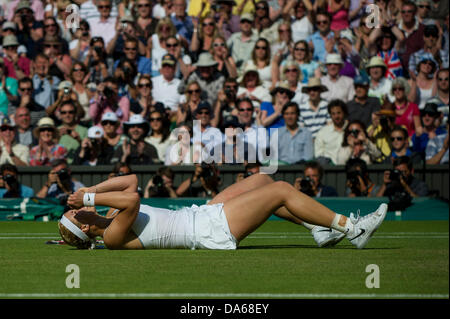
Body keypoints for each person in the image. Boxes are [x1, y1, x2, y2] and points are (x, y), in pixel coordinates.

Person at [59, 173, 388, 250]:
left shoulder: (108, 219)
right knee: (281, 192)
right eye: (74, 216)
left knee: (264, 178)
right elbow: (132, 201)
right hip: (209, 231)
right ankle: (352, 229)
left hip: (202, 212)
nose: (74, 210)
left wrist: (89, 191)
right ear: (85, 228)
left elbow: (131, 182)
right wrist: (89, 200)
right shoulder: (114, 236)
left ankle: (317, 229)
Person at [314, 99, 348, 165]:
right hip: (328, 169)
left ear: (344, 113)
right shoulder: (323, 132)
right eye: (333, 114)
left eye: (339, 113)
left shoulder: (351, 129)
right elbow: (318, 154)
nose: (336, 116)